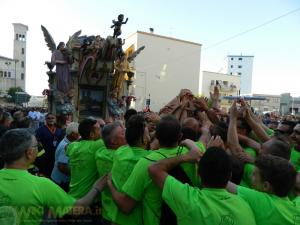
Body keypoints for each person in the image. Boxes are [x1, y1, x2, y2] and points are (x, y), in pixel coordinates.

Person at [0, 129, 107, 225]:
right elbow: (76, 209)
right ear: (29, 153)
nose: (38, 149)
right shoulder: (42, 185)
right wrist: (97, 187)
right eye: (37, 146)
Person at [107, 115, 200, 225]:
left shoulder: (146, 162)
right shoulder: (195, 154)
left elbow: (126, 206)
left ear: (156, 136)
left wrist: (110, 184)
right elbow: (204, 136)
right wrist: (188, 142)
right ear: (180, 136)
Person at [148, 147, 256, 225]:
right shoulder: (245, 207)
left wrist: (185, 157)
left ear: (199, 174)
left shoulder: (189, 199)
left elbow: (154, 169)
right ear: (229, 176)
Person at [227, 154, 299, 225]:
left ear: (265, 186)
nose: (250, 175)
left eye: (254, 174)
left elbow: (223, 182)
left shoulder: (262, 201)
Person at [107, 115, 150, 225]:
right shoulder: (147, 160)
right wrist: (110, 185)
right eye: (148, 132)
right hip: (133, 221)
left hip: (114, 218)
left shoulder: (120, 152)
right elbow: (126, 207)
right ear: (145, 139)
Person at [95, 121, 127, 223]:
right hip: (118, 213)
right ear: (114, 141)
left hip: (106, 210)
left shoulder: (100, 153)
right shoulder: (120, 157)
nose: (126, 135)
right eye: (123, 133)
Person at [51, 122, 80, 191]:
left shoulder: (68, 142)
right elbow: (62, 167)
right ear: (73, 134)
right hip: (61, 181)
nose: (80, 135)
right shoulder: (66, 146)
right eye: (78, 133)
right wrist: (76, 174)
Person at [35, 113, 62, 177]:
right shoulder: (40, 130)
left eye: (52, 118)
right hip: (45, 158)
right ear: (45, 120)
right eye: (48, 118)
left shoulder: (59, 130)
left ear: (55, 119)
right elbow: (37, 143)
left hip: (56, 157)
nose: (50, 119)